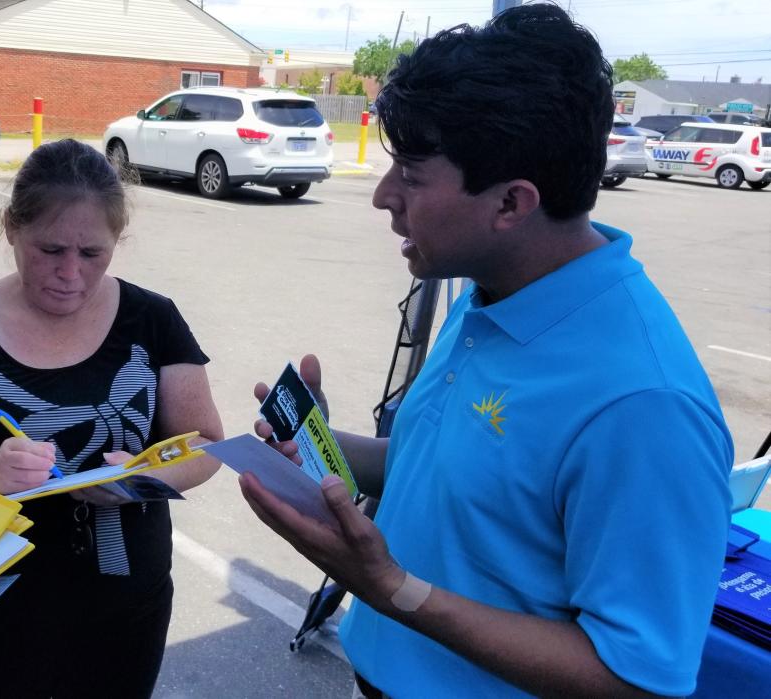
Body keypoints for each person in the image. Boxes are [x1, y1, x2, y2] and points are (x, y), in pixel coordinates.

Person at [240, 5, 733, 698]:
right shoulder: (491, 292)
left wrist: (396, 591)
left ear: (512, 203)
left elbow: (639, 677)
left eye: (411, 175)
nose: (384, 197)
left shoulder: (643, 404)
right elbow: (454, 468)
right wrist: (320, 443)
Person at [0, 138, 224, 698]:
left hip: (122, 605)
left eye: (92, 254)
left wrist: (146, 478)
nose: (69, 273)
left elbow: (205, 441)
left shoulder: (153, 320)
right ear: (11, 228)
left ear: (117, 240)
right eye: (49, 250)